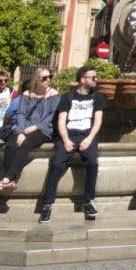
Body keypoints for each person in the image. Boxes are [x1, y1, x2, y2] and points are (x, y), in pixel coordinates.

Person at [38, 65, 106, 223]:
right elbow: (61, 121)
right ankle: (47, 205)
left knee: (92, 163)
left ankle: (89, 201)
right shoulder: (67, 97)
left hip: (87, 136)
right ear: (83, 79)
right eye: (93, 77)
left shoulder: (98, 97)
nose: (96, 80)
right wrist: (66, 140)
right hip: (68, 136)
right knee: (56, 165)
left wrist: (89, 139)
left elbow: (98, 121)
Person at [0, 68, 58, 192]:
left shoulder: (53, 94)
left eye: (50, 76)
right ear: (36, 80)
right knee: (11, 145)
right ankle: (11, 181)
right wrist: (22, 131)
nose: (48, 80)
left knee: (26, 144)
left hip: (43, 129)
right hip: (24, 127)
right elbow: (21, 114)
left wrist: (34, 127)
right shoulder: (27, 94)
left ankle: (8, 178)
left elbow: (52, 116)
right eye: (44, 78)